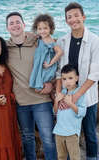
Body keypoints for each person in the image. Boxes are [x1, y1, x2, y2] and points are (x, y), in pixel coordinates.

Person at [6, 12, 57, 160]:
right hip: (21, 103)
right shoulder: (5, 48)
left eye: (18, 22)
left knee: (48, 139)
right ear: (7, 28)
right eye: (11, 23)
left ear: (24, 25)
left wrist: (52, 85)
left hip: (41, 100)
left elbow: (55, 63)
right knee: (27, 139)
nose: (15, 25)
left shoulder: (39, 42)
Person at [56, 2, 99, 160]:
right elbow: (58, 71)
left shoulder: (95, 40)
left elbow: (94, 74)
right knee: (68, 132)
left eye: (76, 15)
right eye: (69, 17)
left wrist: (76, 96)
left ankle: (92, 157)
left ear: (83, 17)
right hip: (66, 96)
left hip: (87, 97)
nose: (73, 19)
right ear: (66, 21)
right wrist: (58, 93)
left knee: (89, 133)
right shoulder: (62, 41)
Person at [53, 64, 87, 160]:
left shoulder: (80, 93)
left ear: (77, 78)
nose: (67, 82)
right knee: (61, 157)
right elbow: (55, 112)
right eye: (64, 79)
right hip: (59, 132)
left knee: (74, 158)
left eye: (70, 78)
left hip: (72, 133)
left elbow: (82, 112)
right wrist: (56, 101)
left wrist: (71, 103)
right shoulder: (62, 92)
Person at [29, 13, 63, 91]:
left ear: (50, 29)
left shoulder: (49, 40)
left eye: (45, 28)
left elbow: (60, 52)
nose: (42, 31)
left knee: (42, 81)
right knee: (37, 78)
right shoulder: (40, 38)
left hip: (46, 65)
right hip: (40, 63)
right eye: (39, 29)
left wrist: (50, 63)